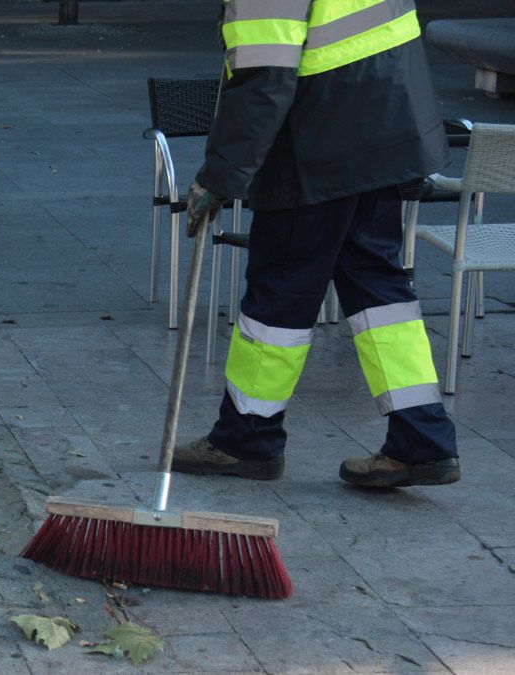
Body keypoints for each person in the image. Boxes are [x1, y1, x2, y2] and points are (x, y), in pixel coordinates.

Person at [175, 0, 460, 488]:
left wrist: (219, 176)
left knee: (279, 297)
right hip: (386, 135)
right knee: (379, 290)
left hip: (317, 150)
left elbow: (265, 80)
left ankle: (246, 439)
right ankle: (422, 439)